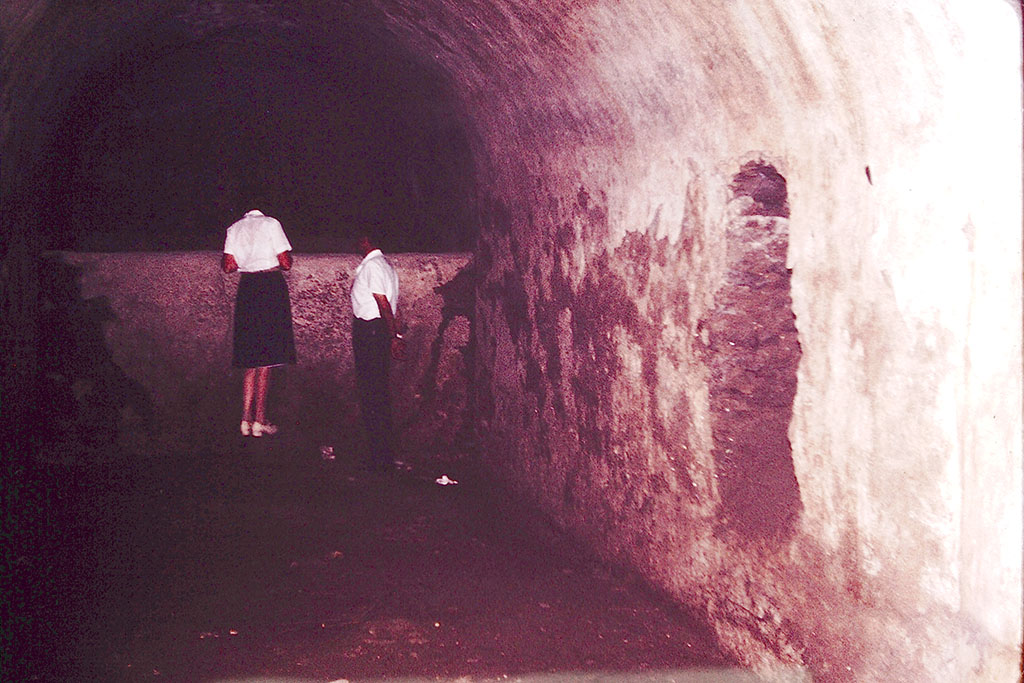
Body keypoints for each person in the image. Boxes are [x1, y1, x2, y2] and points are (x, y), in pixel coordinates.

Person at [221, 205, 296, 437]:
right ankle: (260, 420)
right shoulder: (271, 224)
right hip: (270, 286)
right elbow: (286, 263)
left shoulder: (234, 228)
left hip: (247, 288)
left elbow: (228, 266)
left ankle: (245, 419)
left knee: (249, 356)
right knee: (267, 357)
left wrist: (248, 258)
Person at [350, 232, 405, 472]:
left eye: (360, 239)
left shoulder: (373, 266)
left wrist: (394, 337)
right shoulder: (384, 265)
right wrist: (394, 335)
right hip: (377, 330)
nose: (357, 243)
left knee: (372, 391)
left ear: (367, 240)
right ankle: (382, 452)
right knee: (378, 390)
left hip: (371, 330)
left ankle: (378, 455)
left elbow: (383, 304)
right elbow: (391, 305)